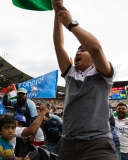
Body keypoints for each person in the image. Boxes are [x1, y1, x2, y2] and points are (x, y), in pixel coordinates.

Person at [52, 0, 117, 159]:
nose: (78, 53)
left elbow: (95, 48)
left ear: (95, 59)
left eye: (83, 49)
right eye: (77, 50)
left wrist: (72, 25)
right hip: (68, 143)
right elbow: (58, 46)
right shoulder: (70, 74)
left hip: (98, 144)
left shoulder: (103, 73)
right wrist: (57, 12)